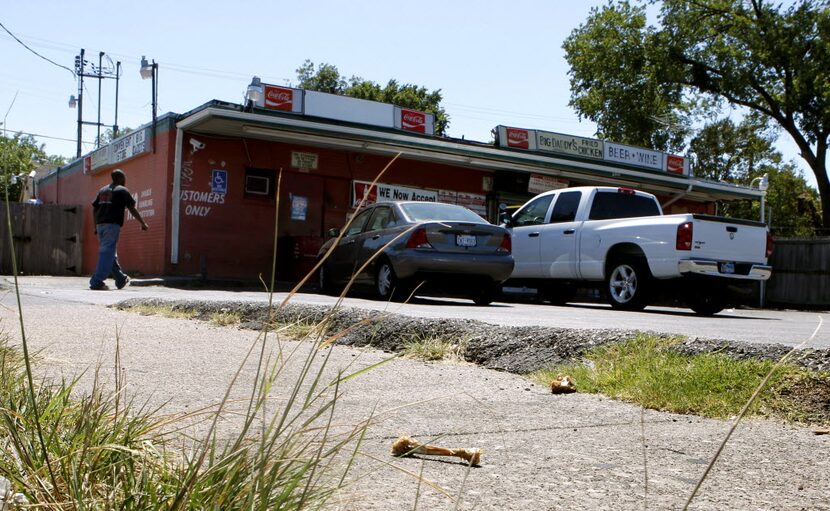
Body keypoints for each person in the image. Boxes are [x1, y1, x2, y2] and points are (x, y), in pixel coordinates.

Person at [89, 169, 149, 290]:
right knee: (106, 253)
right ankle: (97, 281)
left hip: (100, 225)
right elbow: (131, 208)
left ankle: (120, 278)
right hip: (111, 225)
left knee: (110, 253)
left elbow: (95, 209)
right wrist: (142, 223)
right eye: (124, 178)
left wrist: (95, 226)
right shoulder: (122, 190)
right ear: (121, 178)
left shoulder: (102, 190)